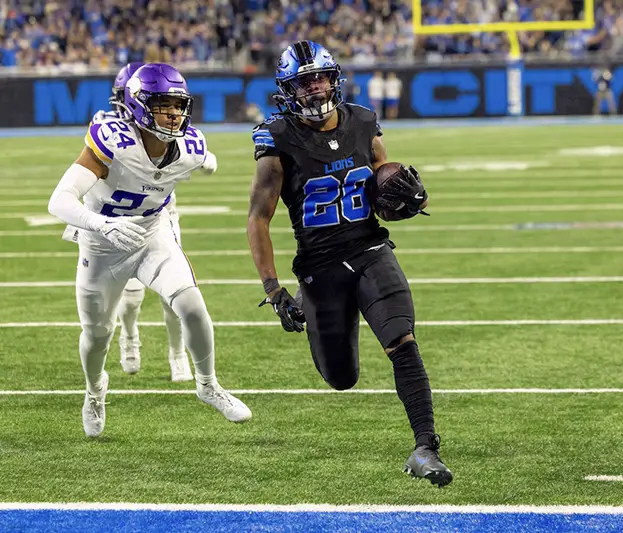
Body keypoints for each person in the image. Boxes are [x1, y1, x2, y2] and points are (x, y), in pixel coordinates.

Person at [247, 41, 452, 487]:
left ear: (334, 78)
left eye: (320, 77)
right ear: (288, 89)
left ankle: (425, 447)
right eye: (305, 81)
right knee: (341, 377)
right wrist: (273, 288)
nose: (315, 87)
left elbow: (384, 177)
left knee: (402, 341)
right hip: (320, 265)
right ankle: (311, 300)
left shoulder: (363, 121)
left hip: (370, 250)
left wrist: (408, 197)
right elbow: (258, 218)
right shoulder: (278, 139)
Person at [48, 63, 251, 438]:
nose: (175, 114)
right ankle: (95, 390)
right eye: (163, 105)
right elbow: (59, 201)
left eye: (179, 105)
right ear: (139, 106)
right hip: (103, 241)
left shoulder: (190, 146)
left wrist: (208, 162)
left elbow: (205, 159)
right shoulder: (113, 140)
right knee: (97, 334)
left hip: (153, 234)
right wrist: (101, 223)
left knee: (191, 305)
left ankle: (208, 385)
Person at [66, 62, 217, 382]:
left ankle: (178, 354)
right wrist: (95, 220)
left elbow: (197, 154)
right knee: (128, 296)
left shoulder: (179, 138)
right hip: (114, 220)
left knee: (175, 293)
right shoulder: (111, 134)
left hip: (158, 215)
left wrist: (205, 160)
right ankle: (129, 338)